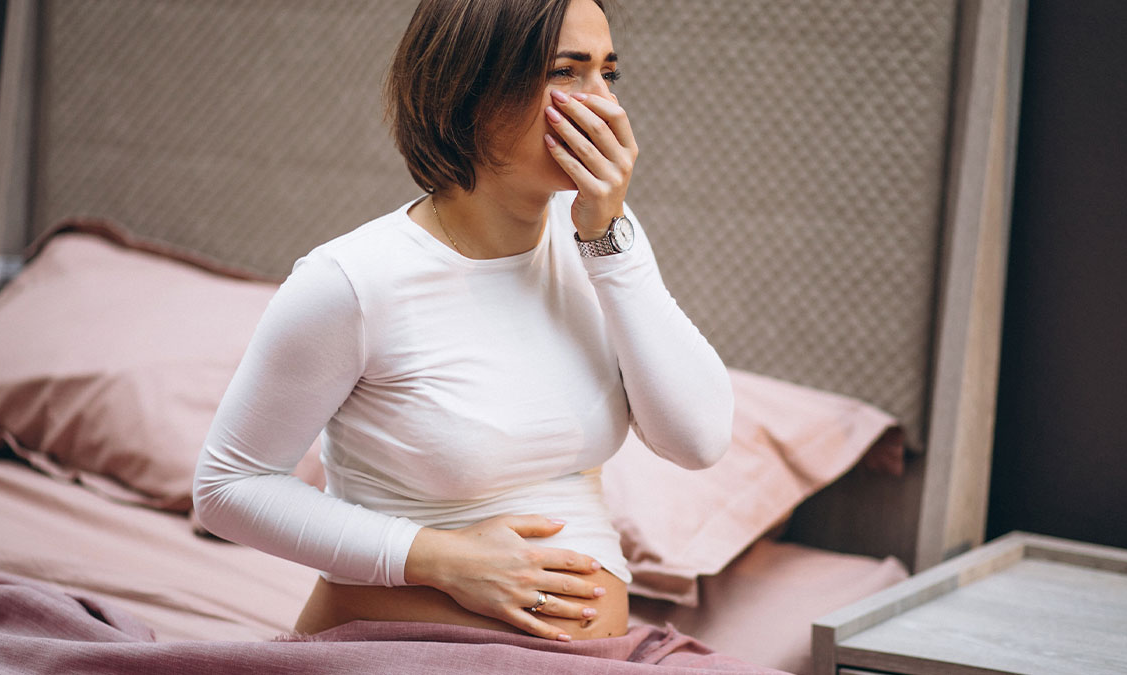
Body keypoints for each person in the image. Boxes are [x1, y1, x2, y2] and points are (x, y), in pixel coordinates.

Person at [193, 0, 732, 643]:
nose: (604, 106)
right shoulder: (352, 282)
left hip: (601, 657)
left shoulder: (600, 239)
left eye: (608, 75)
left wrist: (609, 245)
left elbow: (697, 440)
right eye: (567, 72)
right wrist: (448, 562)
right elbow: (228, 487)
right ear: (470, 88)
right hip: (396, 654)